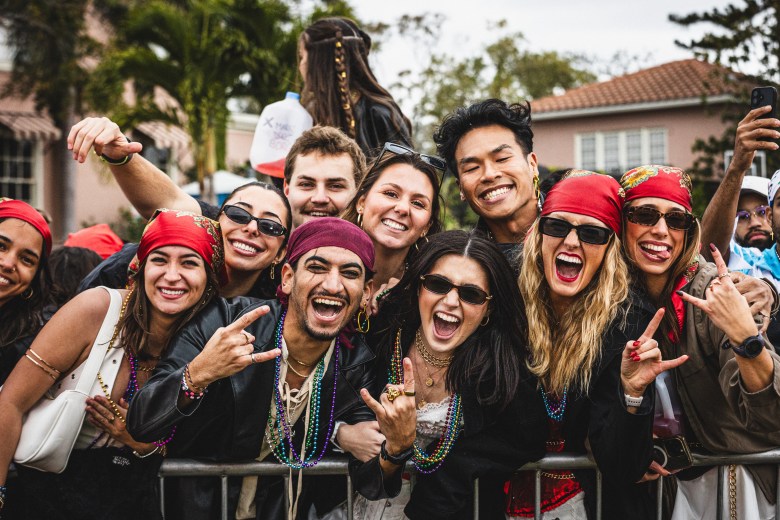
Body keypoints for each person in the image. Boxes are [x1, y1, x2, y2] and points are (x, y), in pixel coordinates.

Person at [127, 217, 410, 520]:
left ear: (366, 292)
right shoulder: (223, 322)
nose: (332, 284)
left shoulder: (357, 366)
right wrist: (197, 374)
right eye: (316, 267)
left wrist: (397, 448)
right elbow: (142, 422)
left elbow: (371, 483)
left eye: (349, 273)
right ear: (288, 278)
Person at [0, 208, 225, 519]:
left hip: (129, 504)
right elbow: (10, 402)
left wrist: (140, 441)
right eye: (159, 260)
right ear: (140, 269)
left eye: (189, 263)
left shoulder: (208, 343)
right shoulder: (97, 310)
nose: (172, 275)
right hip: (43, 500)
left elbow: (200, 447)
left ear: (209, 279)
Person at [333, 230, 543, 519]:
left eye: (471, 294)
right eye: (437, 284)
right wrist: (345, 435)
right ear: (419, 287)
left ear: (488, 309)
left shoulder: (501, 367)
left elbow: (527, 439)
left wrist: (454, 470)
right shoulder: (382, 337)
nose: (451, 302)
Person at [505, 172, 680, 519]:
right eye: (557, 226)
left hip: (593, 506)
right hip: (503, 502)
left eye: (592, 233)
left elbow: (622, 463)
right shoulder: (505, 301)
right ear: (539, 235)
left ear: (609, 249)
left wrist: (631, 394)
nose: (571, 241)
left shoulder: (628, 324)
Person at [619, 164, 780, 519]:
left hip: (739, 481)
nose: (661, 230)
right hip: (670, 488)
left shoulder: (712, 292)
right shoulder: (610, 300)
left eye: (676, 220)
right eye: (645, 215)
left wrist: (745, 340)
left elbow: (772, 415)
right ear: (621, 223)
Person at [79, 181, 290, 300]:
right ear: (215, 223)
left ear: (280, 253)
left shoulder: (277, 311)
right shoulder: (139, 261)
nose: (252, 228)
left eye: (270, 226)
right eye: (239, 214)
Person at [433, 99, 540, 257]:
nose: (489, 174)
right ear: (460, 188)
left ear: (532, 165)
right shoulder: (464, 262)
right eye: (472, 168)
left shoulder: (576, 229)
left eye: (502, 159)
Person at [341, 142, 444, 301]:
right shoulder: (322, 264)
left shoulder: (428, 292)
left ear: (427, 226)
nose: (403, 208)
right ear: (361, 203)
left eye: (418, 203)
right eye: (391, 194)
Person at [299, 17, 412, 158]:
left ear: (321, 61)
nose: (301, 65)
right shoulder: (307, 113)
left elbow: (406, 174)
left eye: (302, 57)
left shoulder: (379, 114)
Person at [701, 106, 780, 284]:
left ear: (770, 215)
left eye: (760, 212)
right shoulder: (737, 264)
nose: (754, 223)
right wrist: (737, 167)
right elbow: (708, 250)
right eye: (742, 216)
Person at [0, 199, 52, 386]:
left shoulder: (28, 350)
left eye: (26, 259)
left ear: (34, 280)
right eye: (1, 246)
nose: (8, 263)